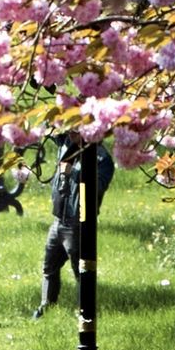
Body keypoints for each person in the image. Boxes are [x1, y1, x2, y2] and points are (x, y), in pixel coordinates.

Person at [34, 134, 115, 318]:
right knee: (49, 267)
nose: (71, 131)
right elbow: (52, 124)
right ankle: (46, 307)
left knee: (82, 272)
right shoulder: (66, 144)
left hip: (79, 224)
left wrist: (75, 172)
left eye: (76, 128)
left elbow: (98, 187)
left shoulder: (102, 159)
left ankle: (85, 315)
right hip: (58, 220)